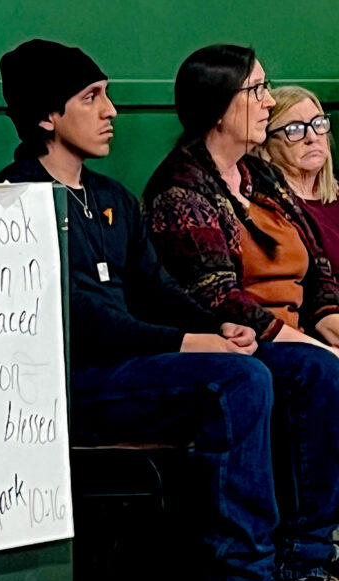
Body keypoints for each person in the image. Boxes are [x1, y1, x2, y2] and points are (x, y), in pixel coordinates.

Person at [0, 38, 339, 581]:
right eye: (91, 98)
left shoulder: (110, 198)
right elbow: (82, 321)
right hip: (71, 383)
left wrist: (224, 328)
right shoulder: (11, 202)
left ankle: (301, 569)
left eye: (107, 95)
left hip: (140, 368)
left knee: (307, 367)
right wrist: (191, 340)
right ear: (47, 116)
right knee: (238, 382)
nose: (111, 112)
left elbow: (157, 288)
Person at [145, 47, 339, 353]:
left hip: (299, 339)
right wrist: (324, 351)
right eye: (257, 90)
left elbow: (319, 269)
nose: (270, 102)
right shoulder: (179, 190)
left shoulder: (262, 175)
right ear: (219, 107)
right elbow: (220, 299)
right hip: (246, 346)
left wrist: (330, 325)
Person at [258, 85, 339, 270]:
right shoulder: (273, 212)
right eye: (294, 129)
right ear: (266, 144)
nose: (312, 137)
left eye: (318, 124)